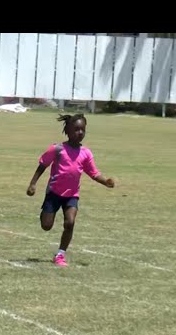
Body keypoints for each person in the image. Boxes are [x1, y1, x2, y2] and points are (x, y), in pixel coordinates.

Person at [26, 114, 115, 267]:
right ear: (67, 130)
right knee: (46, 226)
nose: (80, 133)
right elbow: (42, 165)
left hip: (72, 195)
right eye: (76, 129)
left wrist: (105, 181)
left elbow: (93, 173)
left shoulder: (86, 153)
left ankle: (60, 254)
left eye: (83, 130)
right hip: (54, 193)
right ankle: (45, 213)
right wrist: (33, 184)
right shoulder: (57, 149)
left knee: (70, 222)